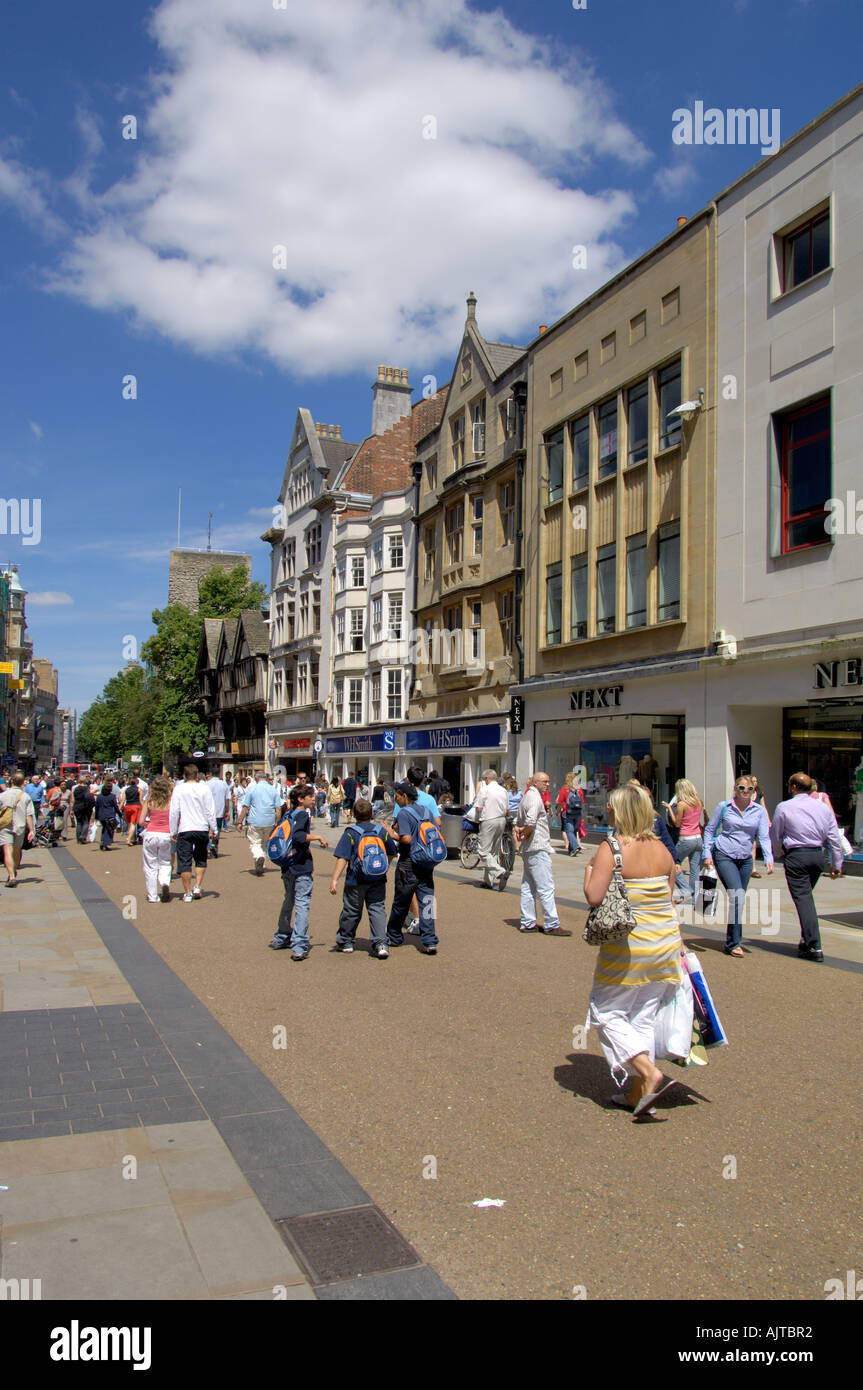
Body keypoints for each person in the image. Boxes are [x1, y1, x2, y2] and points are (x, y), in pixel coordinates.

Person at [585, 783, 684, 1116]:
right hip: (665, 943)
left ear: (620, 812)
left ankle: (647, 1072)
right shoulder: (661, 850)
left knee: (605, 1012)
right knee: (642, 1017)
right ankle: (639, 1094)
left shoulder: (612, 848)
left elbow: (594, 897)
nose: (608, 811)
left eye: (612, 807)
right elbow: (667, 897)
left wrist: (588, 874)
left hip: (630, 947)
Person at [771, 772, 844, 963]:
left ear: (793, 787)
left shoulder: (784, 807)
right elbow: (834, 837)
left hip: (797, 856)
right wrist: (836, 863)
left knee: (804, 901)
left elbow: (776, 834)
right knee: (806, 898)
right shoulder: (822, 807)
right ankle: (806, 941)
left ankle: (814, 945)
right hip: (817, 856)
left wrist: (778, 853)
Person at [702, 775, 773, 957]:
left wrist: (768, 857)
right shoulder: (724, 807)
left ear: (754, 792)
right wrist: (707, 854)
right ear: (735, 789)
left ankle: (731, 939)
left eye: (749, 789)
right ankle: (734, 942)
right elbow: (710, 830)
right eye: (742, 788)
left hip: (745, 858)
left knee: (738, 898)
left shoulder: (758, 811)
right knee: (737, 896)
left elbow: (763, 836)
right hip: (724, 854)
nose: (745, 792)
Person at [330, 797, 399, 957]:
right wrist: (384, 867)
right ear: (372, 813)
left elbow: (343, 858)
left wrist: (335, 879)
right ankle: (381, 943)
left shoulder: (351, 833)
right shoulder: (381, 831)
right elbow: (392, 852)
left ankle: (346, 941)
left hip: (355, 879)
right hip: (377, 878)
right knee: (377, 908)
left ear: (354, 814)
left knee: (352, 910)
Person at [269, 785, 329, 959]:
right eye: (310, 796)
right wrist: (318, 837)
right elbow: (298, 836)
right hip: (301, 864)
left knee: (289, 899)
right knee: (302, 903)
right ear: (301, 799)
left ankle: (282, 935)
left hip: (287, 864)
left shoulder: (289, 813)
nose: (313, 798)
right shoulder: (302, 814)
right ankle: (299, 944)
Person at [386, 782, 440, 955]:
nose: (395, 799)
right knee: (427, 901)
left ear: (404, 796)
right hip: (426, 862)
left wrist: (390, 833)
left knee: (401, 901)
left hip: (408, 862)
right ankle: (430, 940)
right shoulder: (426, 811)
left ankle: (394, 935)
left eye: (396, 795)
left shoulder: (403, 813)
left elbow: (406, 839)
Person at [513, 772, 561, 933]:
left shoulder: (526, 796)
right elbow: (530, 821)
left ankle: (527, 922)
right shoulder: (534, 798)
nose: (547, 784)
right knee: (545, 886)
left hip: (529, 848)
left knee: (528, 886)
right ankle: (552, 923)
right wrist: (525, 832)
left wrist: (519, 831)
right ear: (535, 782)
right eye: (544, 782)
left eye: (548, 781)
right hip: (537, 846)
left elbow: (517, 820)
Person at [169, 764, 217, 901]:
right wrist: (214, 828)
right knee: (201, 858)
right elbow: (210, 810)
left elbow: (174, 812)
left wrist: (172, 831)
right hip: (201, 828)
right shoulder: (204, 788)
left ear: (184, 776)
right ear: (197, 776)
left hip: (185, 828)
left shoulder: (179, 789)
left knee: (185, 860)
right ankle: (197, 885)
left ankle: (187, 892)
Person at [662, 779, 705, 901]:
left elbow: (676, 823)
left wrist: (669, 808)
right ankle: (694, 897)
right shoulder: (698, 802)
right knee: (694, 868)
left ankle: (687, 891)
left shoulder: (682, 805)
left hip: (686, 838)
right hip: (698, 838)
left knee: (672, 863)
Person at [236, 769, 284, 875]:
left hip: (255, 820)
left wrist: (240, 821)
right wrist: (277, 821)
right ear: (266, 778)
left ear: (256, 778)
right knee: (265, 843)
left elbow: (245, 807)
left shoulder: (252, 789)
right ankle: (261, 862)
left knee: (255, 842)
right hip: (269, 821)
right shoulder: (272, 790)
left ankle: (259, 857)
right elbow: (278, 808)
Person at [140, 775, 174, 903]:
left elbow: (140, 821)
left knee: (150, 866)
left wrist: (148, 824)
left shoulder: (149, 801)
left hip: (151, 834)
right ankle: (165, 882)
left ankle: (152, 896)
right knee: (165, 862)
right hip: (166, 835)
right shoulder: (171, 801)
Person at [474, 769, 510, 891]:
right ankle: (488, 881)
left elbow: (478, 808)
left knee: (483, 851)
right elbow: (507, 809)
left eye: (485, 779)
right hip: (501, 820)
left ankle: (500, 871)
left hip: (489, 820)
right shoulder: (503, 790)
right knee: (493, 851)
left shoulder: (485, 790)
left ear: (487, 779)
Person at [0, 772, 35, 885]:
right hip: (20, 826)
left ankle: (11, 876)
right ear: (22, 783)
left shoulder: (3, 795)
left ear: (11, 782)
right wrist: (31, 830)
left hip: (5, 825)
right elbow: (29, 815)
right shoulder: (25, 796)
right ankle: (13, 872)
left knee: (7, 850)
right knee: (16, 850)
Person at [749, 775, 771, 877]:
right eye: (753, 781)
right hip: (747, 823)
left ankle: (753, 868)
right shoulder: (745, 794)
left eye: (756, 781)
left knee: (754, 844)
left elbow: (764, 807)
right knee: (751, 845)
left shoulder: (759, 794)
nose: (755, 783)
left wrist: (767, 820)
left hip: (757, 822)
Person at [206, 770, 231, 857]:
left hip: (208, 811)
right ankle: (214, 845)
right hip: (219, 811)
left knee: (206, 830)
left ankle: (208, 847)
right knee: (217, 830)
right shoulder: (224, 784)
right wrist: (227, 811)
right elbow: (227, 799)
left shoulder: (207, 784)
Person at [559, 772, 584, 856]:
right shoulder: (579, 789)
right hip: (577, 813)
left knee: (569, 831)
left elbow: (560, 802)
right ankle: (571, 851)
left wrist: (558, 812)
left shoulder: (564, 789)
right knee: (573, 831)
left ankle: (576, 846)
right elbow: (582, 802)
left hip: (567, 813)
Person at [95, 779, 122, 850]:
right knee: (109, 830)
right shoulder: (112, 796)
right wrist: (119, 814)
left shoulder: (99, 796)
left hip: (101, 815)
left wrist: (96, 816)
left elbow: (97, 807)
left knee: (104, 828)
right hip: (109, 815)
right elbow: (115, 806)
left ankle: (102, 841)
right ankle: (105, 844)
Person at [72, 778, 96, 843]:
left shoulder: (76, 789)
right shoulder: (86, 789)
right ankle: (83, 836)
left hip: (77, 807)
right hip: (85, 807)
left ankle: (78, 838)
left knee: (79, 822)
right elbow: (90, 798)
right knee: (86, 822)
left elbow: (73, 798)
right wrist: (92, 805)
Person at [122, 775, 143, 846]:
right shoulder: (139, 789)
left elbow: (123, 800)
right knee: (133, 824)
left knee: (129, 823)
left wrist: (120, 807)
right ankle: (128, 839)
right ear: (137, 783)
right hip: (136, 806)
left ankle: (131, 838)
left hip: (127, 806)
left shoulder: (126, 790)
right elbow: (141, 800)